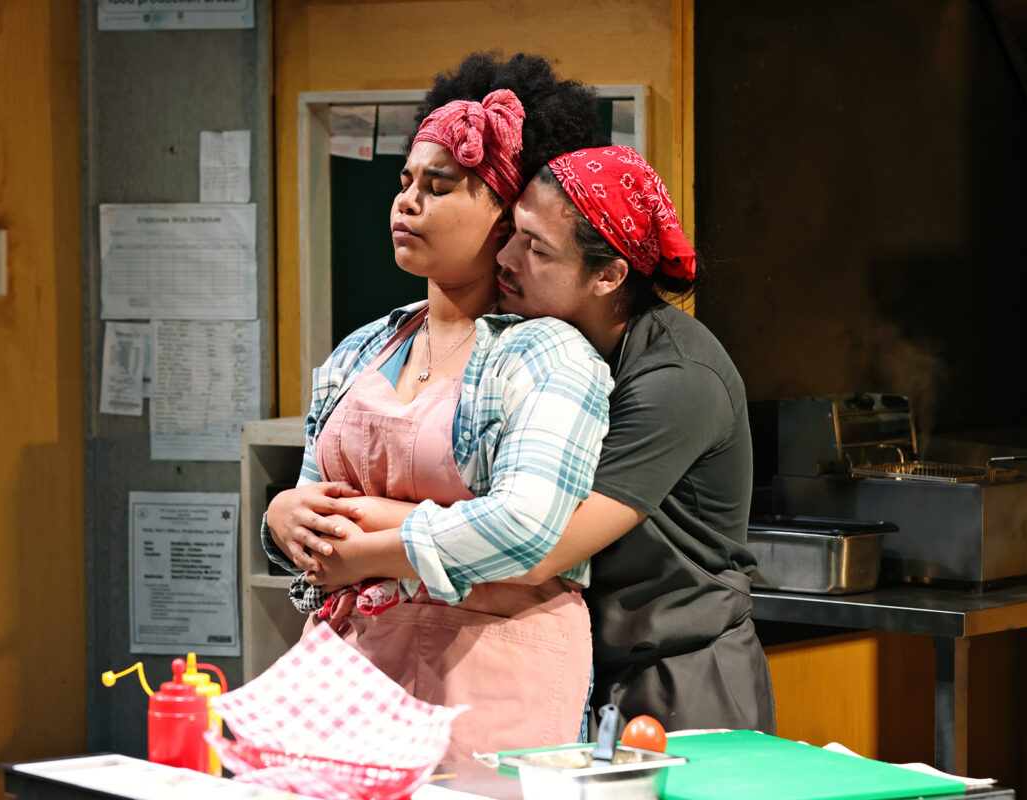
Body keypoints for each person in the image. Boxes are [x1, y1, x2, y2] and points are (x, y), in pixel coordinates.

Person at [306, 145, 776, 735]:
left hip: (679, 672)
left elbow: (543, 546)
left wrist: (363, 522)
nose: (506, 258)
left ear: (608, 276)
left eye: (537, 249)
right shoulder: (513, 346)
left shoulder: (677, 379)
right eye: (512, 232)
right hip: (583, 657)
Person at [261, 53, 612, 760]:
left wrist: (378, 545)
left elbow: (528, 527)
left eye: (439, 185)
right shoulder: (362, 350)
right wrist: (282, 519)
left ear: (505, 215)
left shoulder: (545, 356)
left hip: (487, 682)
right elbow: (314, 501)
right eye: (405, 182)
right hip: (348, 675)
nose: (406, 202)